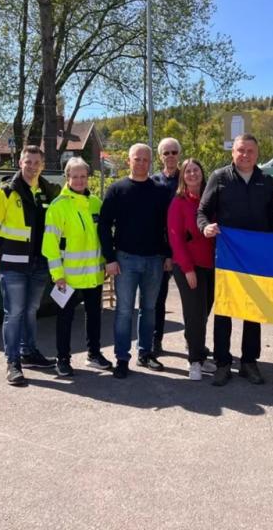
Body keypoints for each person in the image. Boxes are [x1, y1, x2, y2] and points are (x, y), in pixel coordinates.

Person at [197, 133, 273, 386]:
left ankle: (249, 363)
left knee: (253, 310)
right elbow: (202, 211)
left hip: (256, 257)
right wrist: (205, 227)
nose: (245, 155)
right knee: (225, 310)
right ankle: (222, 363)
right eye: (240, 150)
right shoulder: (219, 177)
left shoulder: (266, 180)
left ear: (257, 154)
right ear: (233, 152)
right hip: (228, 255)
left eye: (250, 151)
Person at [0, 145, 59, 385]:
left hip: (39, 264)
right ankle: (13, 362)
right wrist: (9, 247)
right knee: (14, 313)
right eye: (28, 162)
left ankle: (29, 352)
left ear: (42, 166)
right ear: (20, 163)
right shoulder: (5, 192)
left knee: (30, 310)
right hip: (13, 264)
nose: (32, 167)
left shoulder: (47, 191)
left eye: (37, 163)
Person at [98, 143, 172, 379]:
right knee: (123, 311)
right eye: (137, 159)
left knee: (149, 309)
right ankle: (122, 358)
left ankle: (146, 353)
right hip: (125, 259)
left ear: (151, 162)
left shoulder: (160, 191)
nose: (141, 163)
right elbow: (103, 225)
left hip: (154, 260)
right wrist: (109, 258)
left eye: (145, 160)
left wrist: (168, 254)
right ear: (129, 161)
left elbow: (168, 227)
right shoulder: (117, 189)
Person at [42, 157, 111, 377]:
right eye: (75, 176)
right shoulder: (58, 207)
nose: (79, 180)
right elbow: (50, 246)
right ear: (67, 177)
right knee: (65, 319)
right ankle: (62, 359)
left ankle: (94, 354)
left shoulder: (96, 203)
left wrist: (106, 264)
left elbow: (104, 238)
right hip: (68, 277)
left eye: (83, 176)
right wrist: (57, 275)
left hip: (93, 274)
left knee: (94, 315)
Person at [167, 158, 218, 381]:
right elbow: (175, 238)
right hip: (189, 266)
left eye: (196, 170)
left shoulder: (211, 200)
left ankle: (197, 348)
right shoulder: (178, 202)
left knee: (204, 311)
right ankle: (195, 361)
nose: (192, 174)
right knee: (194, 313)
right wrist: (187, 269)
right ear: (182, 177)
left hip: (212, 265)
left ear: (202, 173)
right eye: (187, 171)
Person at [151, 137, 181, 355]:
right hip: (160, 249)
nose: (170, 156)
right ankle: (155, 340)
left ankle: (194, 341)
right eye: (166, 153)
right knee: (157, 299)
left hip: (185, 248)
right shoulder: (153, 181)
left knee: (194, 301)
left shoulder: (188, 177)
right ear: (160, 156)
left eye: (174, 152)